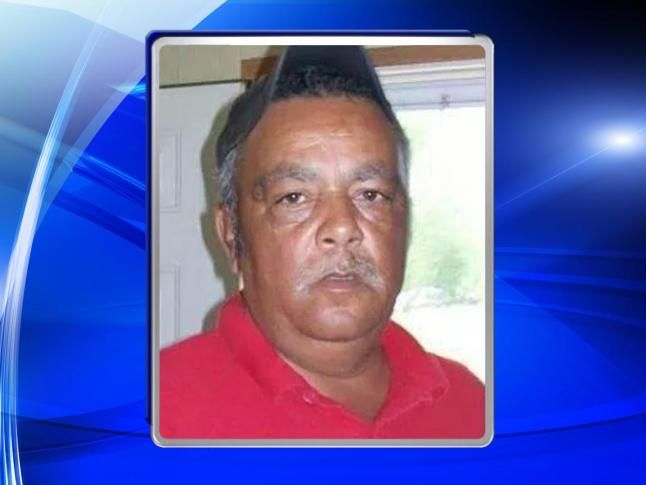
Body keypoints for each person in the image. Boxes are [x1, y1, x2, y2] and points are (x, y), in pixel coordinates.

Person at [159, 45, 485, 439]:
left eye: (371, 194)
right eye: (293, 197)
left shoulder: (471, 403)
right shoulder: (152, 411)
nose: (343, 227)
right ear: (232, 235)